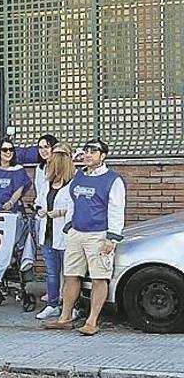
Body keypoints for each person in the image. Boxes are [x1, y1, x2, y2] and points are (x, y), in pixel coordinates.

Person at [45, 138, 126, 336]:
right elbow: (73, 202)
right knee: (71, 276)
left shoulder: (113, 180)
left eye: (94, 151)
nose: (88, 155)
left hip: (98, 235)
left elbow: (116, 210)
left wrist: (112, 238)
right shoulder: (79, 176)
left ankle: (92, 321)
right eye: (86, 151)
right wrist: (69, 226)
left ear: (103, 156)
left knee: (99, 278)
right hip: (76, 233)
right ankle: (65, 318)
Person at [34, 143, 75, 320]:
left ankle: (70, 306)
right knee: (52, 272)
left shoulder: (73, 184)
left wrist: (60, 212)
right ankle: (52, 304)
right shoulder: (47, 184)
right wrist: (39, 209)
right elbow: (38, 201)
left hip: (64, 234)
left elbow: (76, 208)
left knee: (69, 273)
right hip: (48, 232)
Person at [0, 138, 32, 214]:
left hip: (9, 213)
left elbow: (19, 190)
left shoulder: (18, 169)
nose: (8, 152)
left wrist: (11, 203)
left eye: (11, 149)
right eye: (5, 149)